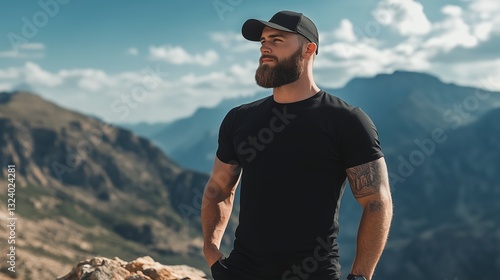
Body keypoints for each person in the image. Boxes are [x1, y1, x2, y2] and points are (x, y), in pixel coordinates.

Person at [201, 10, 393, 280]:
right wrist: (211, 251)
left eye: (277, 40)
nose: (265, 47)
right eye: (263, 41)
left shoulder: (347, 121)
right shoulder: (239, 119)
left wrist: (360, 276)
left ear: (309, 49)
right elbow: (219, 188)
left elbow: (376, 201)